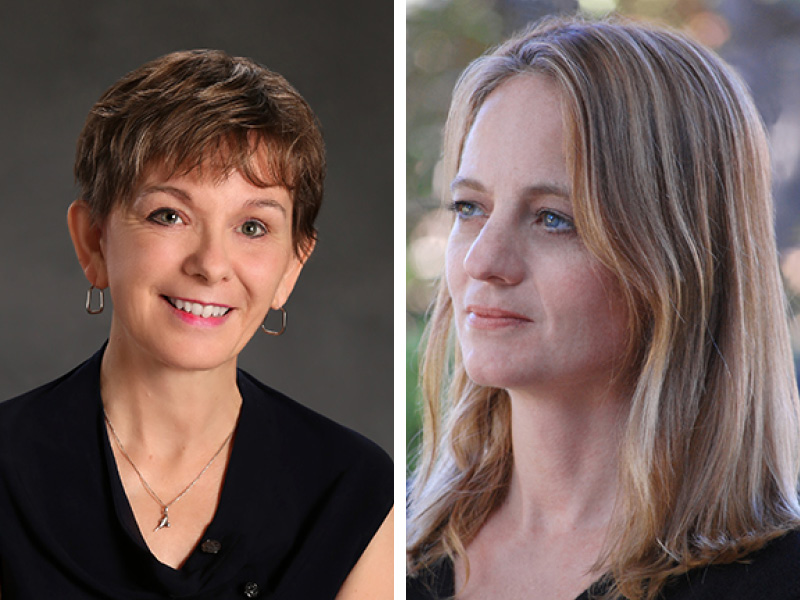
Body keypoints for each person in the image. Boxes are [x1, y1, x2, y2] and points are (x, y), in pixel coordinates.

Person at [406, 16, 800, 600]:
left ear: (679, 262)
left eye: (554, 218)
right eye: (470, 207)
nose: (482, 260)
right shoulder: (384, 542)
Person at [0, 49, 393, 599]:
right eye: (170, 215)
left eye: (253, 226)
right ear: (93, 241)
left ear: (292, 267)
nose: (210, 264)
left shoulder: (354, 491)